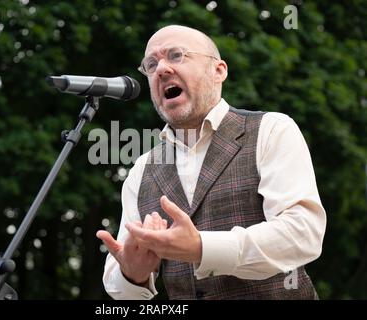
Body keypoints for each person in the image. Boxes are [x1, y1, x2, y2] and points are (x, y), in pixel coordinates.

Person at [96, 25, 326, 300]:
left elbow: (303, 234)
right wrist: (132, 274)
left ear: (219, 71)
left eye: (176, 55)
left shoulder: (271, 129)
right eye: (151, 64)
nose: (161, 69)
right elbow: (121, 291)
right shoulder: (141, 171)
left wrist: (201, 247)